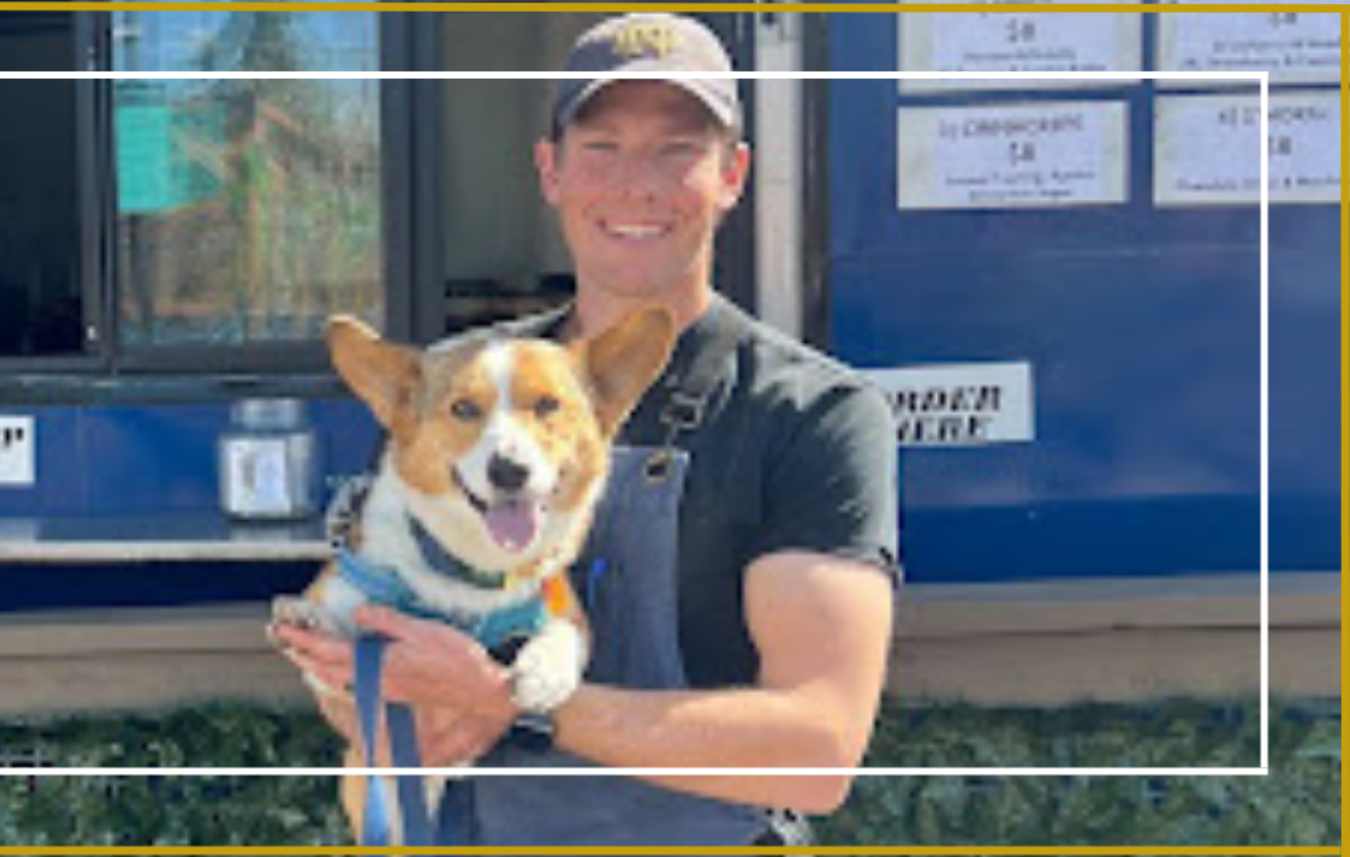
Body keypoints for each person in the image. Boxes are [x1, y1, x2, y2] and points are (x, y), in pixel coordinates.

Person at [274, 12, 900, 846]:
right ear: (551, 171)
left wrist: (513, 702)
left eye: (676, 149)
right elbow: (371, 668)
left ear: (733, 174)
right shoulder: (455, 388)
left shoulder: (810, 414)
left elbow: (816, 752)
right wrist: (367, 699)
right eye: (601, 148)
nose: (635, 185)